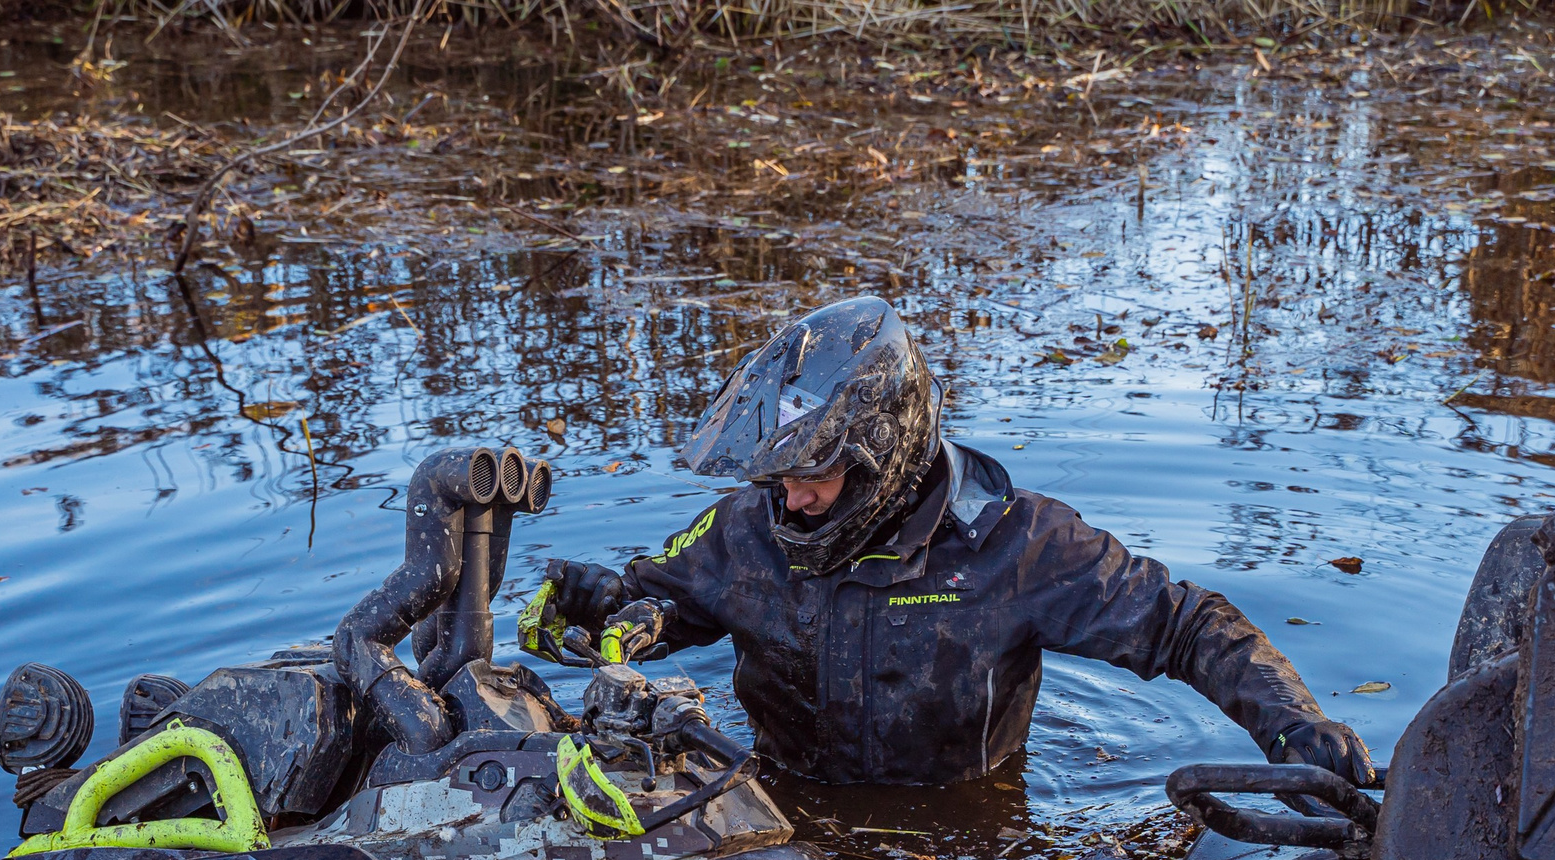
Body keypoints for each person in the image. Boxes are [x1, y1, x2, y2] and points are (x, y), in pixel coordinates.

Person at [518, 297, 1371, 788]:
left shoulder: (1019, 544)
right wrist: (610, 611)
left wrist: (1293, 725)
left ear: (882, 452)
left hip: (961, 832)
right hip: (779, 817)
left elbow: (1184, 625)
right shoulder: (755, 526)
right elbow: (665, 599)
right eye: (778, 476)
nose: (793, 497)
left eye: (816, 474)